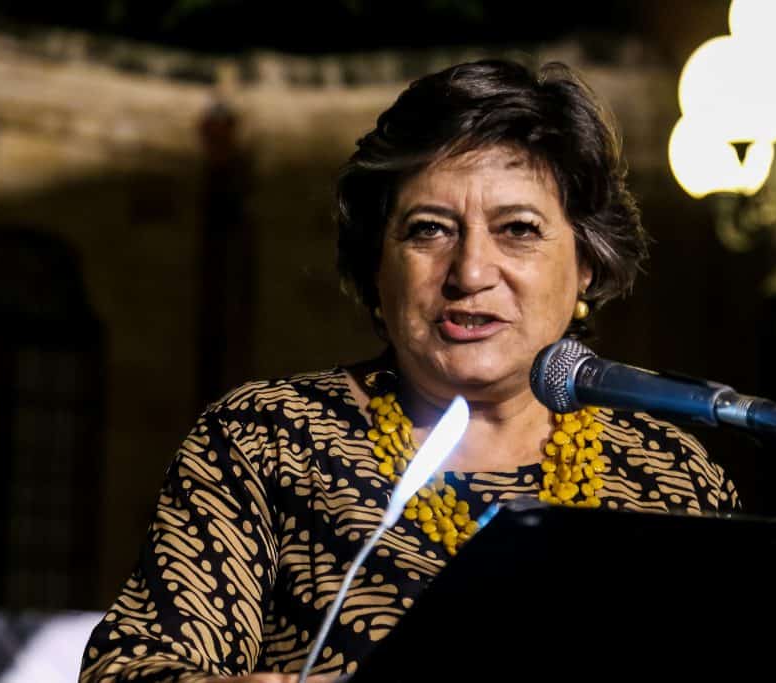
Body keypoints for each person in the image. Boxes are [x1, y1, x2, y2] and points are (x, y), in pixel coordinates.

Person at [79, 58, 740, 683]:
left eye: (517, 229)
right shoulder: (267, 439)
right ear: (378, 265)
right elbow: (132, 669)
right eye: (429, 229)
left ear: (587, 264)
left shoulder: (673, 476)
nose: (470, 272)